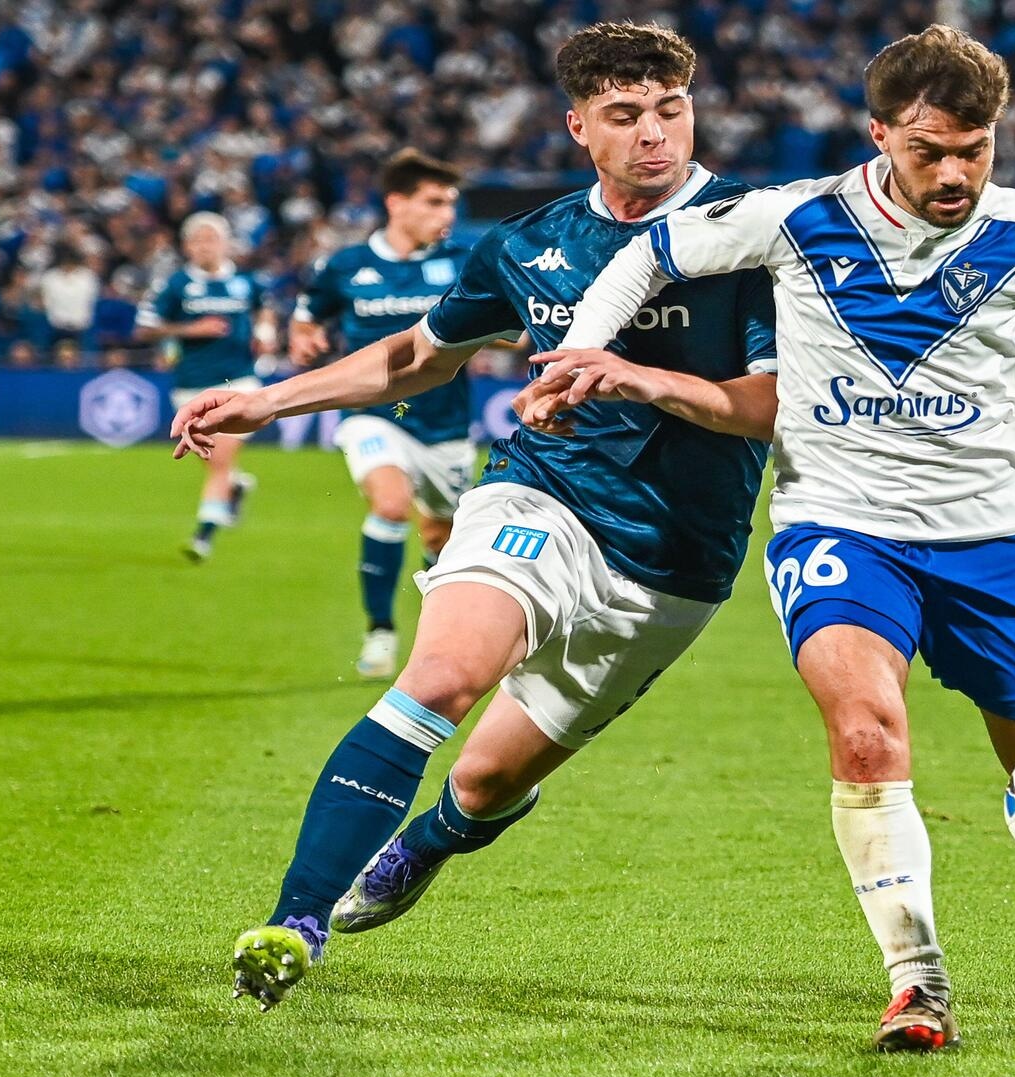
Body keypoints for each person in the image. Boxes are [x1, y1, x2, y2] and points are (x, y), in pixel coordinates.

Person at [525, 24, 1015, 1051]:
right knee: (867, 733)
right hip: (841, 522)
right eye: (930, 152)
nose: (956, 174)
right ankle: (918, 982)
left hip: (1002, 535)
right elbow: (650, 253)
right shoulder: (798, 217)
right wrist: (579, 350)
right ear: (880, 135)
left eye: (975, 150)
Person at [168, 22, 777, 1012]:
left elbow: (774, 406)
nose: (654, 134)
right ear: (579, 127)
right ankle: (294, 921)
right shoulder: (528, 245)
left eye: (671, 110)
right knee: (442, 678)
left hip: (676, 557)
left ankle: (432, 839)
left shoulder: (757, 235)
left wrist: (635, 377)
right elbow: (421, 354)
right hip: (542, 496)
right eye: (625, 114)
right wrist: (269, 399)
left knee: (487, 784)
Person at [291, 148, 476, 678]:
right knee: (391, 505)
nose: (446, 214)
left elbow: (512, 330)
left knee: (440, 537)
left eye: (450, 203)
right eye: (434, 202)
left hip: (444, 424)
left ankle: (435, 637)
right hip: (371, 413)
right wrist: (303, 338)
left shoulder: (464, 264)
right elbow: (306, 317)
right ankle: (380, 632)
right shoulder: (345, 266)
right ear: (397, 203)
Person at [135, 212, 267, 561]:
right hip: (191, 384)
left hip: (238, 381)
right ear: (187, 246)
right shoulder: (175, 284)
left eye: (211, 239)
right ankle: (235, 487)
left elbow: (265, 310)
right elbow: (145, 327)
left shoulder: (246, 281)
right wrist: (190, 330)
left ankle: (203, 535)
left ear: (225, 244)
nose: (205, 246)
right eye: (198, 240)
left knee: (219, 458)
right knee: (213, 460)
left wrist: (265, 334)